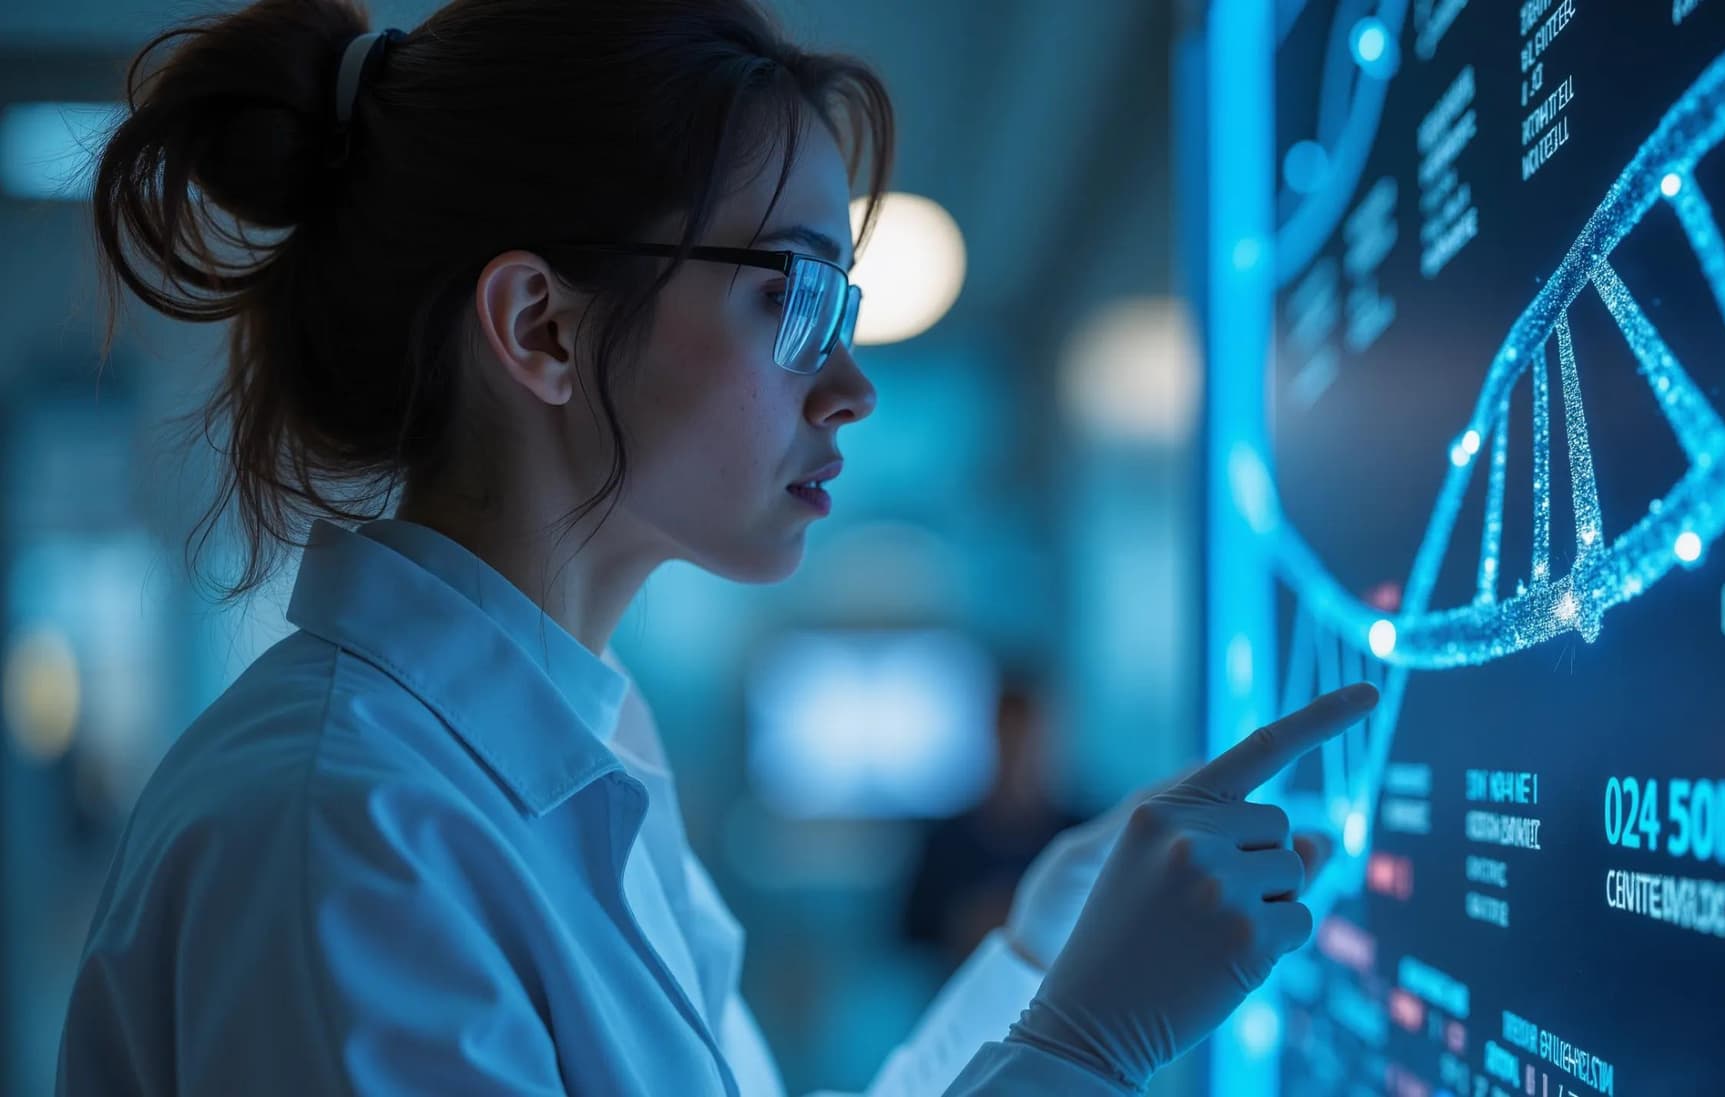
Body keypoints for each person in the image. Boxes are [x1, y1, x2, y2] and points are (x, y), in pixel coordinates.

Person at [57, 0, 1379, 1093]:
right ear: (543, 331)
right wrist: (1080, 1052)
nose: (852, 382)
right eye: (792, 293)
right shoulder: (342, 840)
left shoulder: (574, 759)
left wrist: (1035, 964)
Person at [903, 671, 1089, 971]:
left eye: (1029, 739)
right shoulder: (945, 843)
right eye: (1010, 737)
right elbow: (911, 938)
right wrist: (963, 927)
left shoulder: (1084, 837)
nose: (1019, 754)